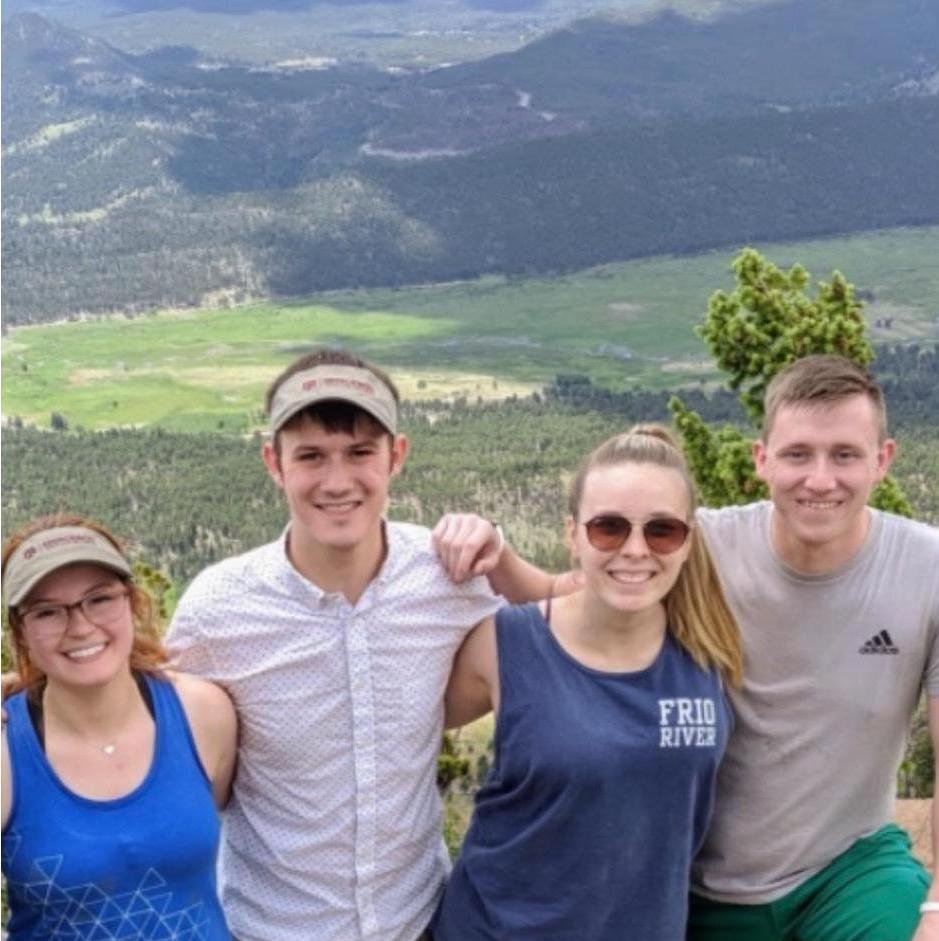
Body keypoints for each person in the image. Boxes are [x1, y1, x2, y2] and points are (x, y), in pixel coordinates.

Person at [435, 355, 939, 941]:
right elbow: (576, 599)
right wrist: (493, 551)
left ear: (884, 460)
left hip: (848, 871)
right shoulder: (698, 547)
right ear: (762, 460)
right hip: (704, 886)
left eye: (845, 454)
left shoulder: (927, 570)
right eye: (798, 453)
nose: (820, 479)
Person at [165, 347, 503, 941]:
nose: (337, 481)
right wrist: (29, 695)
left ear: (397, 456)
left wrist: (506, 552)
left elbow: (572, 630)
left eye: (360, 453)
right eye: (311, 456)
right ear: (274, 462)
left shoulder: (448, 576)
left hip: (418, 921)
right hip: (269, 930)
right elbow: (137, 719)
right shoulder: (217, 608)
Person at [431, 424, 743, 940]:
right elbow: (401, 740)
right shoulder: (505, 644)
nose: (636, 550)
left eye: (662, 530)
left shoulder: (707, 645)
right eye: (609, 528)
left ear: (688, 542)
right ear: (572, 534)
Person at [1, 514, 237, 941]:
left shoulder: (204, 713)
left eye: (100, 599)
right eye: (48, 612)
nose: (81, 626)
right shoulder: (7, 750)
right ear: (23, 631)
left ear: (131, 601)